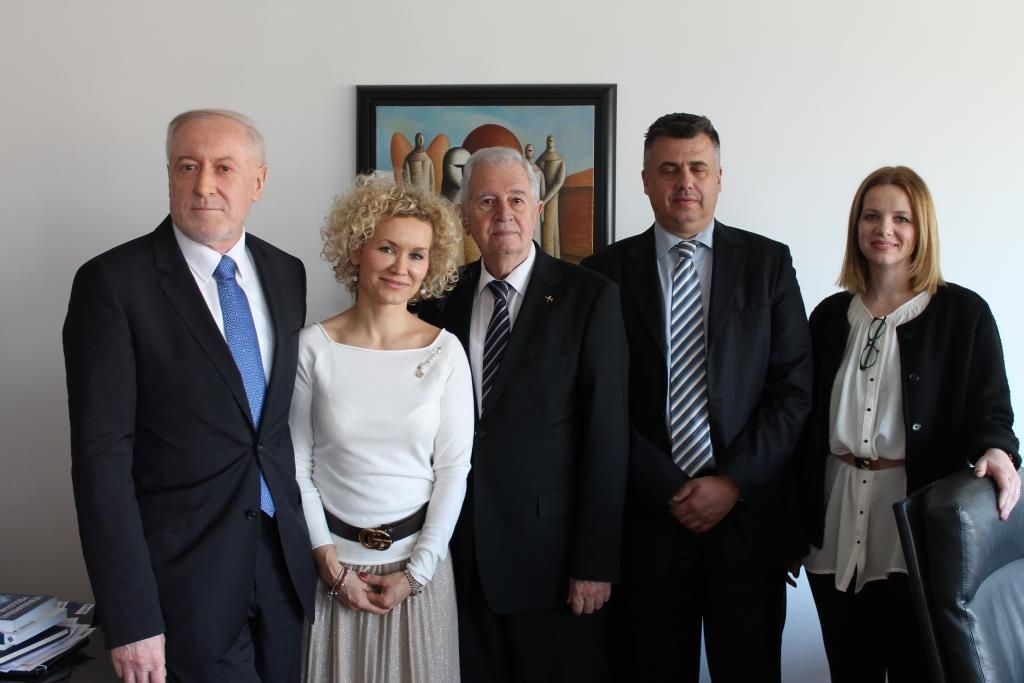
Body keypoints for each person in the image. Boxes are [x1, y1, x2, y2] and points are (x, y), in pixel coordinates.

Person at [63, 109, 314, 682]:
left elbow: (270, 433)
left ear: (258, 182)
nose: (204, 185)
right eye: (186, 166)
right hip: (182, 586)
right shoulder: (112, 283)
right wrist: (130, 616)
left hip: (282, 574)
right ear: (169, 175)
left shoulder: (287, 273)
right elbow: (101, 463)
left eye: (224, 168)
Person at [582, 112, 813, 682]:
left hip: (748, 524)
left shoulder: (768, 265)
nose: (684, 182)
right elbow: (600, 403)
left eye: (697, 168)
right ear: (645, 180)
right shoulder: (603, 274)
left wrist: (731, 482)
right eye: (668, 169)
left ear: (719, 178)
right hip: (647, 525)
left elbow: (792, 390)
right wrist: (670, 485)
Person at [795, 165, 1021, 683]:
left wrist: (996, 450)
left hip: (911, 524)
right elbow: (800, 423)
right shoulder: (829, 317)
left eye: (901, 218)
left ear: (922, 229)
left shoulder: (964, 314)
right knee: (849, 668)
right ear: (856, 226)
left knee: (916, 668)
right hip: (834, 521)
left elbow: (992, 412)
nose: (884, 229)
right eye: (871, 216)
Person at [417, 147, 629, 682]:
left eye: (516, 199)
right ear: (464, 215)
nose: (503, 214)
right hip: (455, 557)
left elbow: (606, 438)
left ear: (538, 208)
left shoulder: (590, 297)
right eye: (486, 201)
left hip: (552, 563)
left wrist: (594, 563)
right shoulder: (436, 300)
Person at [291, 174, 473, 682]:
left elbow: (453, 469)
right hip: (332, 574)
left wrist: (416, 575)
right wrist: (329, 565)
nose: (401, 267)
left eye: (417, 255)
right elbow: (297, 466)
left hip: (418, 575)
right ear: (356, 248)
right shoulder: (312, 347)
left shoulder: (446, 352)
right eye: (387, 248)